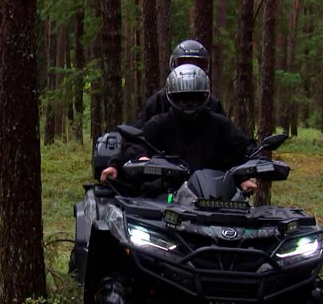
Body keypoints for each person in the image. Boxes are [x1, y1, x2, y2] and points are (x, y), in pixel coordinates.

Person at [102, 64, 258, 193]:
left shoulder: (220, 124)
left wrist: (248, 171)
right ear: (172, 97)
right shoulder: (159, 124)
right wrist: (118, 164)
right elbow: (135, 143)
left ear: (205, 96)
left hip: (215, 198)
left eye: (194, 97)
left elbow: (244, 148)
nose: (189, 103)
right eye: (183, 98)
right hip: (167, 196)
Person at [135, 39, 226, 126]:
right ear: (173, 65)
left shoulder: (211, 102)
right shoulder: (158, 102)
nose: (189, 69)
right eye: (184, 63)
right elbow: (140, 133)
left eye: (197, 64)